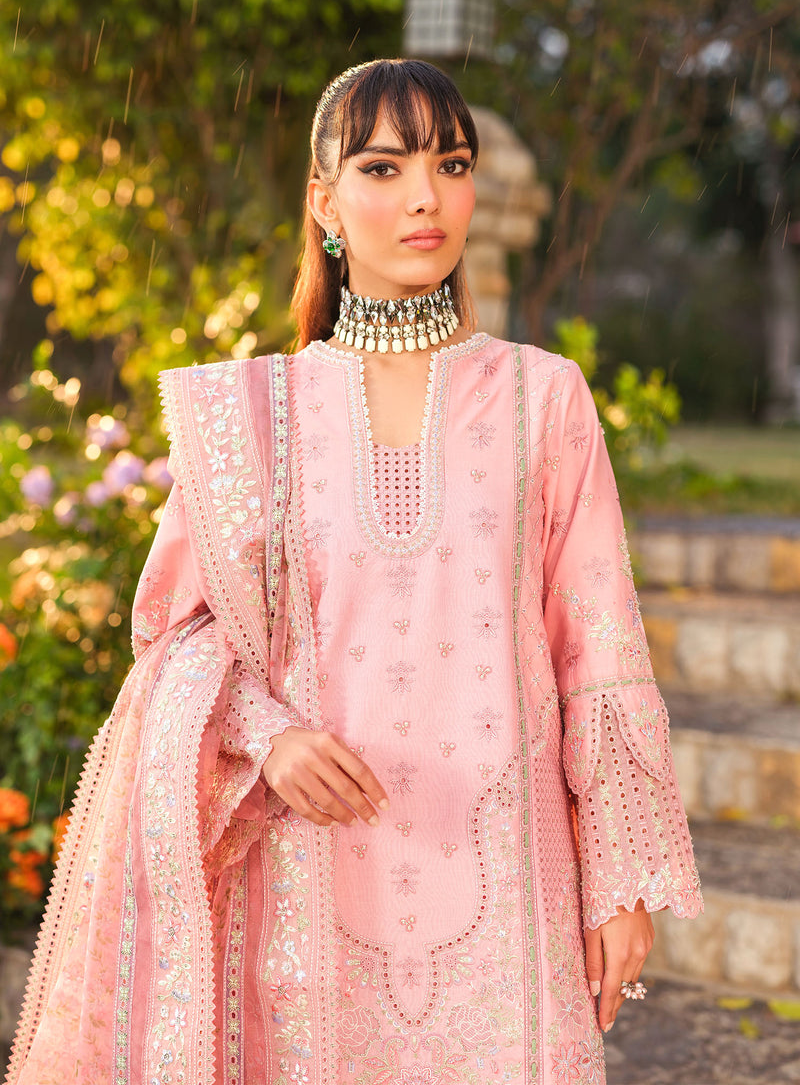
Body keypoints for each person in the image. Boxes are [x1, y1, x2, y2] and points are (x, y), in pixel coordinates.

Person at [6, 59, 701, 1085]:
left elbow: (598, 650)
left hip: (510, 890)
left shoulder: (542, 398)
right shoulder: (251, 416)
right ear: (324, 204)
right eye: (383, 168)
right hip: (306, 884)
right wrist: (267, 737)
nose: (425, 197)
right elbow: (174, 638)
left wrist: (621, 882)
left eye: (450, 164)